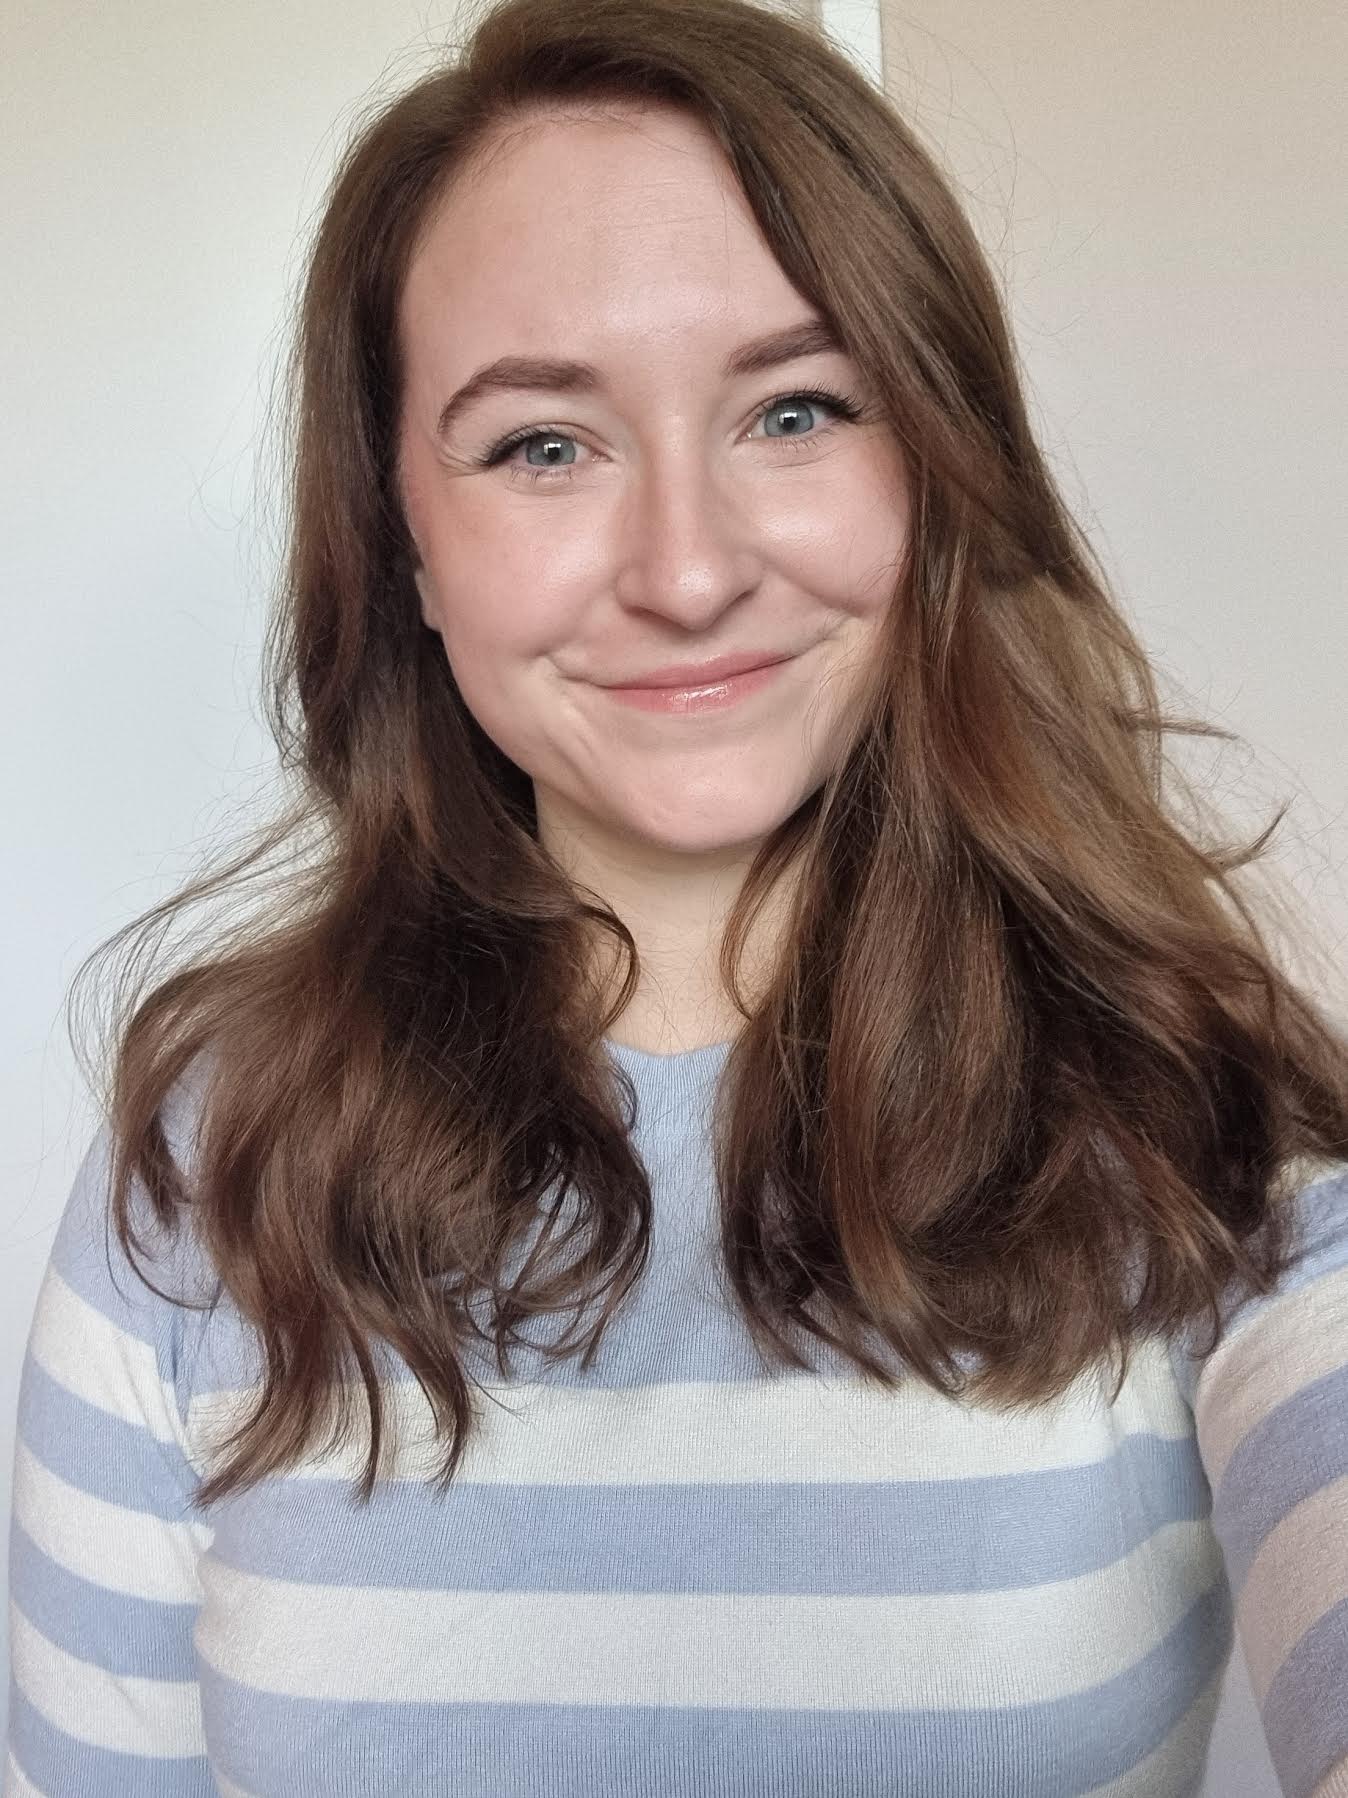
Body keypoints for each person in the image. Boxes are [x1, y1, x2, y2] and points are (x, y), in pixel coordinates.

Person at [7, 0, 1348, 1791]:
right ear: (406, 543)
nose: (689, 571)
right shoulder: (205, 1158)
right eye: (543, 445)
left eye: (796, 409)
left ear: (934, 467)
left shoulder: (1207, 1114)